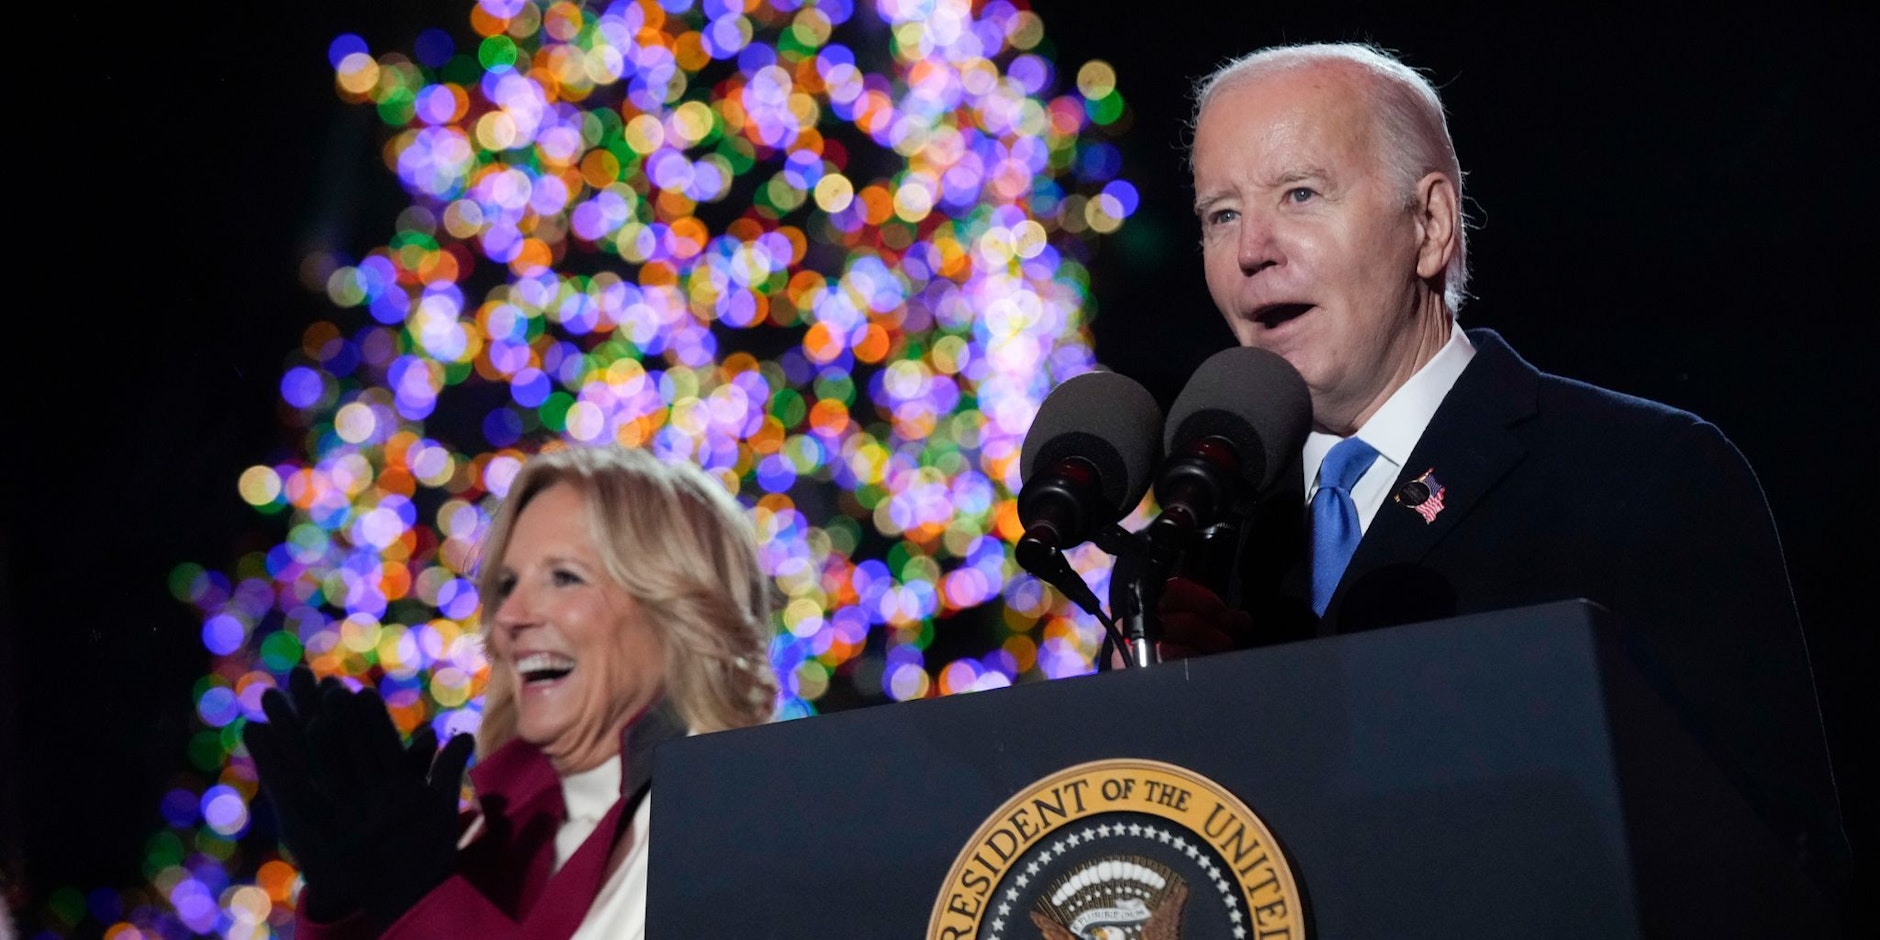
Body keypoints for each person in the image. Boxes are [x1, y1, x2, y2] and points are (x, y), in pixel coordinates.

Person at [1156, 41, 1850, 901]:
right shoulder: (1214, 535)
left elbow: (1773, 861)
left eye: (1300, 194)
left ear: (1431, 225)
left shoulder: (1647, 474)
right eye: (1221, 214)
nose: (1252, 249)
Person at [244, 444, 778, 938]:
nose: (511, 617)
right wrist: (349, 913)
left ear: (681, 609)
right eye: (506, 585)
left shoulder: (755, 837)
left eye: (564, 577)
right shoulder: (465, 846)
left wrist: (425, 906)